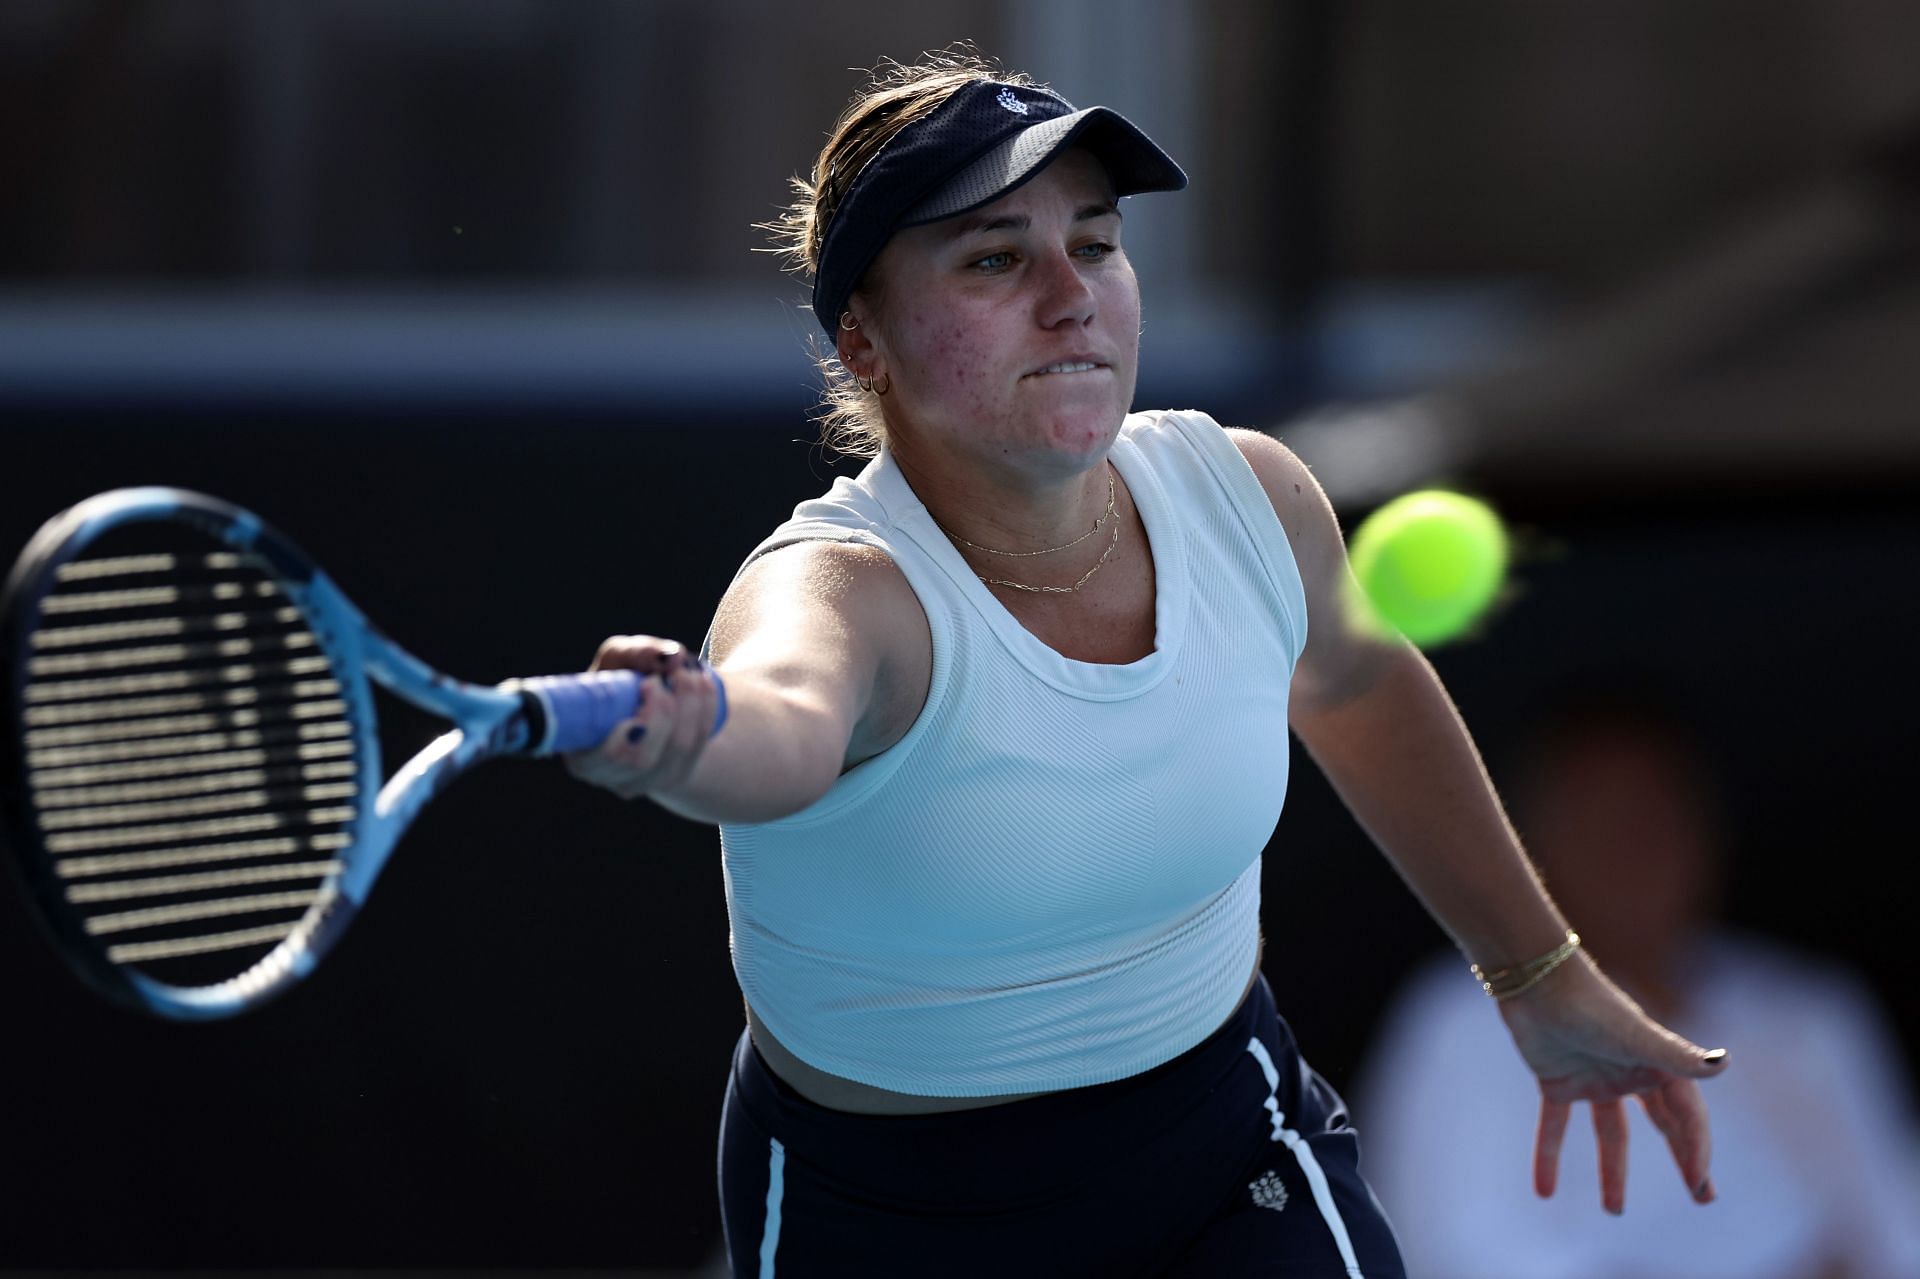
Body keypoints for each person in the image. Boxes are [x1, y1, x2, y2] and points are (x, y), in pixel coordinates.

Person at [562, 51, 1730, 1278]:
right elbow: (785, 720)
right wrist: (693, 738)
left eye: (1099, 242)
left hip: (1220, 1148)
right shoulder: (839, 586)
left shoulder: (1252, 494)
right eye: (995, 258)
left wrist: (1538, 974)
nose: (1072, 294)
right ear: (865, 341)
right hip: (895, 1217)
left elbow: (1355, 684)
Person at [1354, 693, 1920, 1279]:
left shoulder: (1810, 1013)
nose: (1632, 845)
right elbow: (1454, 1253)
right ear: (1528, 847)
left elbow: (1895, 1228)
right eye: (1600, 818)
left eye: (1655, 811)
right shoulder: (1464, 1020)